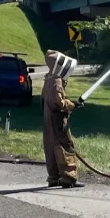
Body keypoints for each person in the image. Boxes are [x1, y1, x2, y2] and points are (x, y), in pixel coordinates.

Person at [42, 50, 83, 189]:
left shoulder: (48, 79)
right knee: (65, 146)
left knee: (51, 148)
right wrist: (72, 105)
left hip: (49, 120)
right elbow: (58, 102)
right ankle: (68, 177)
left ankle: (54, 177)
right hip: (58, 121)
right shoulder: (56, 81)